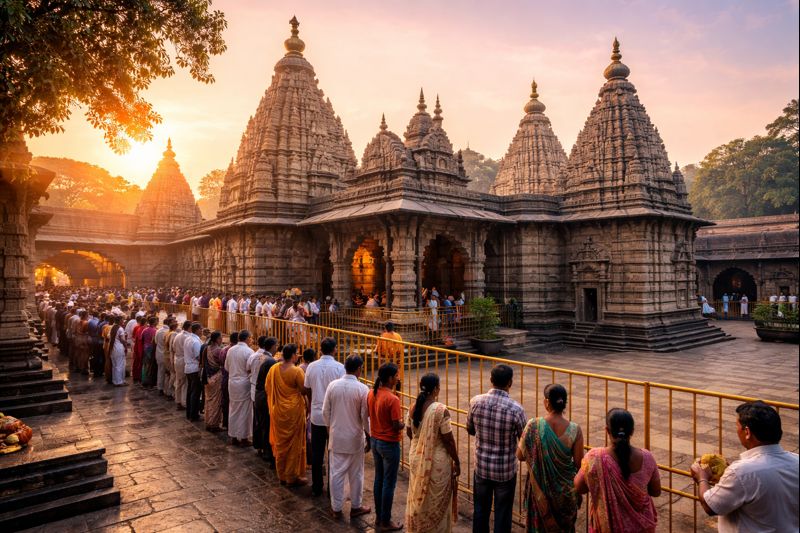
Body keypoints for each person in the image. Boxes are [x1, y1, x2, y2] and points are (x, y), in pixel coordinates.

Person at [691, 401, 798, 532]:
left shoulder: (741, 472)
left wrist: (702, 478)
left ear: (747, 432)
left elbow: (710, 506)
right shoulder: (796, 461)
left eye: (737, 426)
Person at [575, 408, 661, 533]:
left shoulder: (594, 458)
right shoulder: (647, 458)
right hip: (642, 527)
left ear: (607, 430)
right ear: (632, 431)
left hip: (607, 527)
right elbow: (656, 491)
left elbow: (579, 487)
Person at [467, 364, 526, 533]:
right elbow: (523, 440)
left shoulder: (476, 402)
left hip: (482, 466)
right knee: (503, 513)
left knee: (480, 509)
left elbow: (470, 429)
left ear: (491, 380)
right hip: (505, 470)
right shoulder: (516, 409)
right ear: (510, 382)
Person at [516, 384, 583, 532]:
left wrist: (538, 455)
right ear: (564, 403)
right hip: (565, 493)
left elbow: (520, 455)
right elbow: (579, 464)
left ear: (546, 402)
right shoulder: (575, 430)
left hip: (539, 492)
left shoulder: (533, 425)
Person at [405, 373, 460, 533]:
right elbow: (449, 440)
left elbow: (409, 432)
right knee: (435, 501)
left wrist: (421, 445)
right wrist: (457, 461)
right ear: (436, 389)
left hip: (416, 458)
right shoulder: (440, 410)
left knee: (420, 498)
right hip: (437, 463)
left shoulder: (413, 407)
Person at [322, 355, 371, 520]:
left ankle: (336, 508)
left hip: (337, 436)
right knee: (356, 474)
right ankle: (356, 506)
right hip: (355, 438)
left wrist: (331, 429)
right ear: (359, 369)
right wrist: (369, 435)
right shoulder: (362, 389)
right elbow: (365, 416)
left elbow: (325, 412)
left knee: (336, 474)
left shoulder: (333, 386)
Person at [304, 337, 345, 496]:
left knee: (317, 452)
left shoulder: (311, 366)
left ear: (320, 349)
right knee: (333, 454)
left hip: (316, 413)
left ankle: (317, 485)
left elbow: (307, 389)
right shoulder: (339, 368)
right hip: (333, 416)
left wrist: (312, 402)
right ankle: (332, 488)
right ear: (334, 349)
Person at [368, 363, 405, 531]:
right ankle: (385, 521)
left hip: (375, 440)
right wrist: (405, 423)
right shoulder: (392, 399)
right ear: (390, 378)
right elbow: (396, 425)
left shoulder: (372, 393)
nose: (398, 378)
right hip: (389, 443)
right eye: (396, 375)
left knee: (379, 479)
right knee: (389, 483)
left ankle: (379, 517)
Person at [266, 343, 309, 486]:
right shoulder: (296, 371)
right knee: (294, 445)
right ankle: (292, 476)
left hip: (278, 410)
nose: (298, 356)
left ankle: (282, 475)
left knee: (281, 444)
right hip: (293, 411)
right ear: (293, 355)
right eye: (297, 353)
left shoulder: (273, 369)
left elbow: (267, 387)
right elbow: (303, 390)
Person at [226, 329, 255, 445]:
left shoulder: (231, 350)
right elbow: (251, 369)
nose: (251, 340)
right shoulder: (249, 351)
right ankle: (243, 438)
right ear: (247, 338)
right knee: (245, 411)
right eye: (251, 338)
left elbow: (227, 367)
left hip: (232, 382)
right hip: (243, 383)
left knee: (233, 409)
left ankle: (233, 435)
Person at [253, 337, 278, 461]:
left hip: (257, 393)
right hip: (264, 395)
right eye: (276, 345)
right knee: (266, 424)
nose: (277, 347)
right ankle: (267, 451)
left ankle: (259, 446)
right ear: (272, 346)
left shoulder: (260, 357)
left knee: (260, 422)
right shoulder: (270, 361)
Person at [202, 331, 225, 432]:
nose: (221, 340)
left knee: (208, 400)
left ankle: (208, 421)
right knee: (216, 402)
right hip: (216, 377)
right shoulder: (218, 350)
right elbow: (223, 363)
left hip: (208, 376)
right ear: (217, 339)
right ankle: (214, 424)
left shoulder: (206, 348)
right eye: (220, 338)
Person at [375, 322, 404, 391]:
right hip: (397, 359)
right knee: (397, 376)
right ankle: (397, 392)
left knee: (385, 376)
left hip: (387, 360)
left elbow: (378, 350)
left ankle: (384, 389)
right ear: (393, 328)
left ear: (385, 328)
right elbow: (401, 347)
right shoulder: (398, 336)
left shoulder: (382, 336)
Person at [184, 322, 203, 421]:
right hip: (194, 368)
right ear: (197, 330)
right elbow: (198, 356)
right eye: (201, 329)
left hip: (189, 368)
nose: (202, 331)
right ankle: (193, 415)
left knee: (190, 391)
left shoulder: (188, 338)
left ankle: (189, 413)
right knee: (195, 393)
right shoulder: (195, 341)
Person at [172, 320, 191, 410]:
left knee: (179, 381)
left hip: (177, 359)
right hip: (183, 360)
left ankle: (178, 401)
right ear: (189, 327)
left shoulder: (178, 335)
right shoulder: (187, 337)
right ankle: (184, 402)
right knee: (185, 382)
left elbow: (173, 348)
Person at [108, 316, 127, 386]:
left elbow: (109, 337)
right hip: (119, 348)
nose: (123, 321)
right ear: (119, 321)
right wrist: (126, 345)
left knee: (114, 365)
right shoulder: (120, 329)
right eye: (122, 320)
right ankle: (119, 382)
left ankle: (115, 381)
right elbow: (122, 340)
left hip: (113, 348)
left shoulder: (112, 327)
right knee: (119, 365)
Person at [140, 316, 158, 387]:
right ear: (154, 322)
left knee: (145, 365)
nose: (157, 322)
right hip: (151, 349)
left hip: (145, 348)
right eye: (156, 321)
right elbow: (154, 341)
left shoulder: (145, 330)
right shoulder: (155, 331)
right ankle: (149, 381)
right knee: (151, 365)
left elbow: (141, 339)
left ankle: (144, 380)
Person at [154, 318, 170, 395]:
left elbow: (155, 341)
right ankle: (167, 390)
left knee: (160, 371)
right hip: (166, 355)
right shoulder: (168, 332)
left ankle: (160, 388)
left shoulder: (158, 331)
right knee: (168, 373)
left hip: (159, 353)